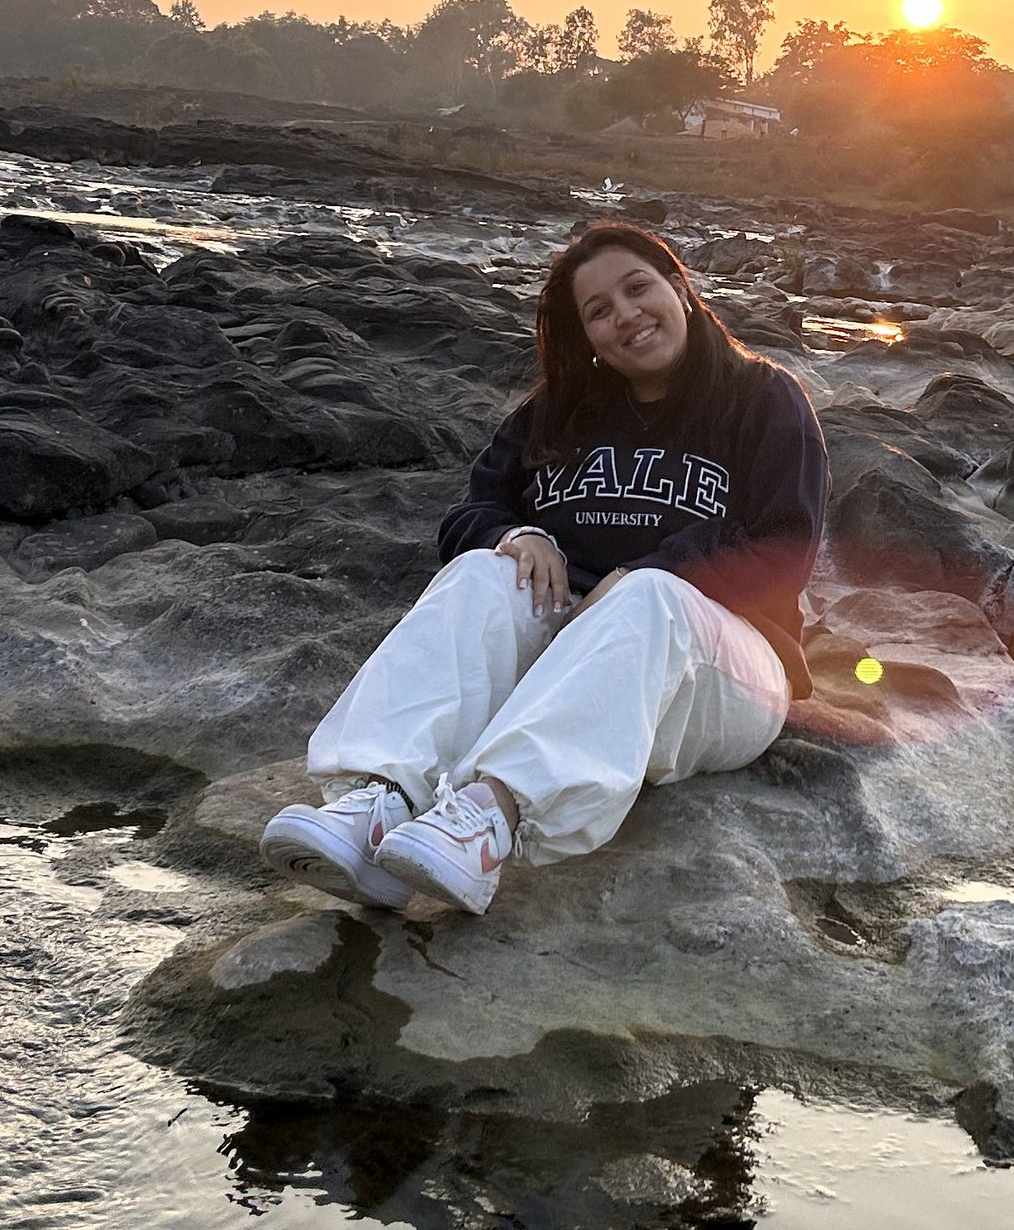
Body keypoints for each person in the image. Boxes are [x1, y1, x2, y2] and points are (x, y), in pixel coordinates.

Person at [261, 223, 827, 920]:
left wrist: (644, 571)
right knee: (481, 575)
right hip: (577, 647)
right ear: (586, 335)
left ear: (679, 287)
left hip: (729, 667)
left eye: (637, 287)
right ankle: (382, 802)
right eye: (598, 310)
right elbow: (473, 511)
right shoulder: (559, 410)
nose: (625, 314)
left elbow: (785, 549)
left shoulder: (763, 398)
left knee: (651, 596)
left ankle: (493, 815)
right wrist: (518, 533)